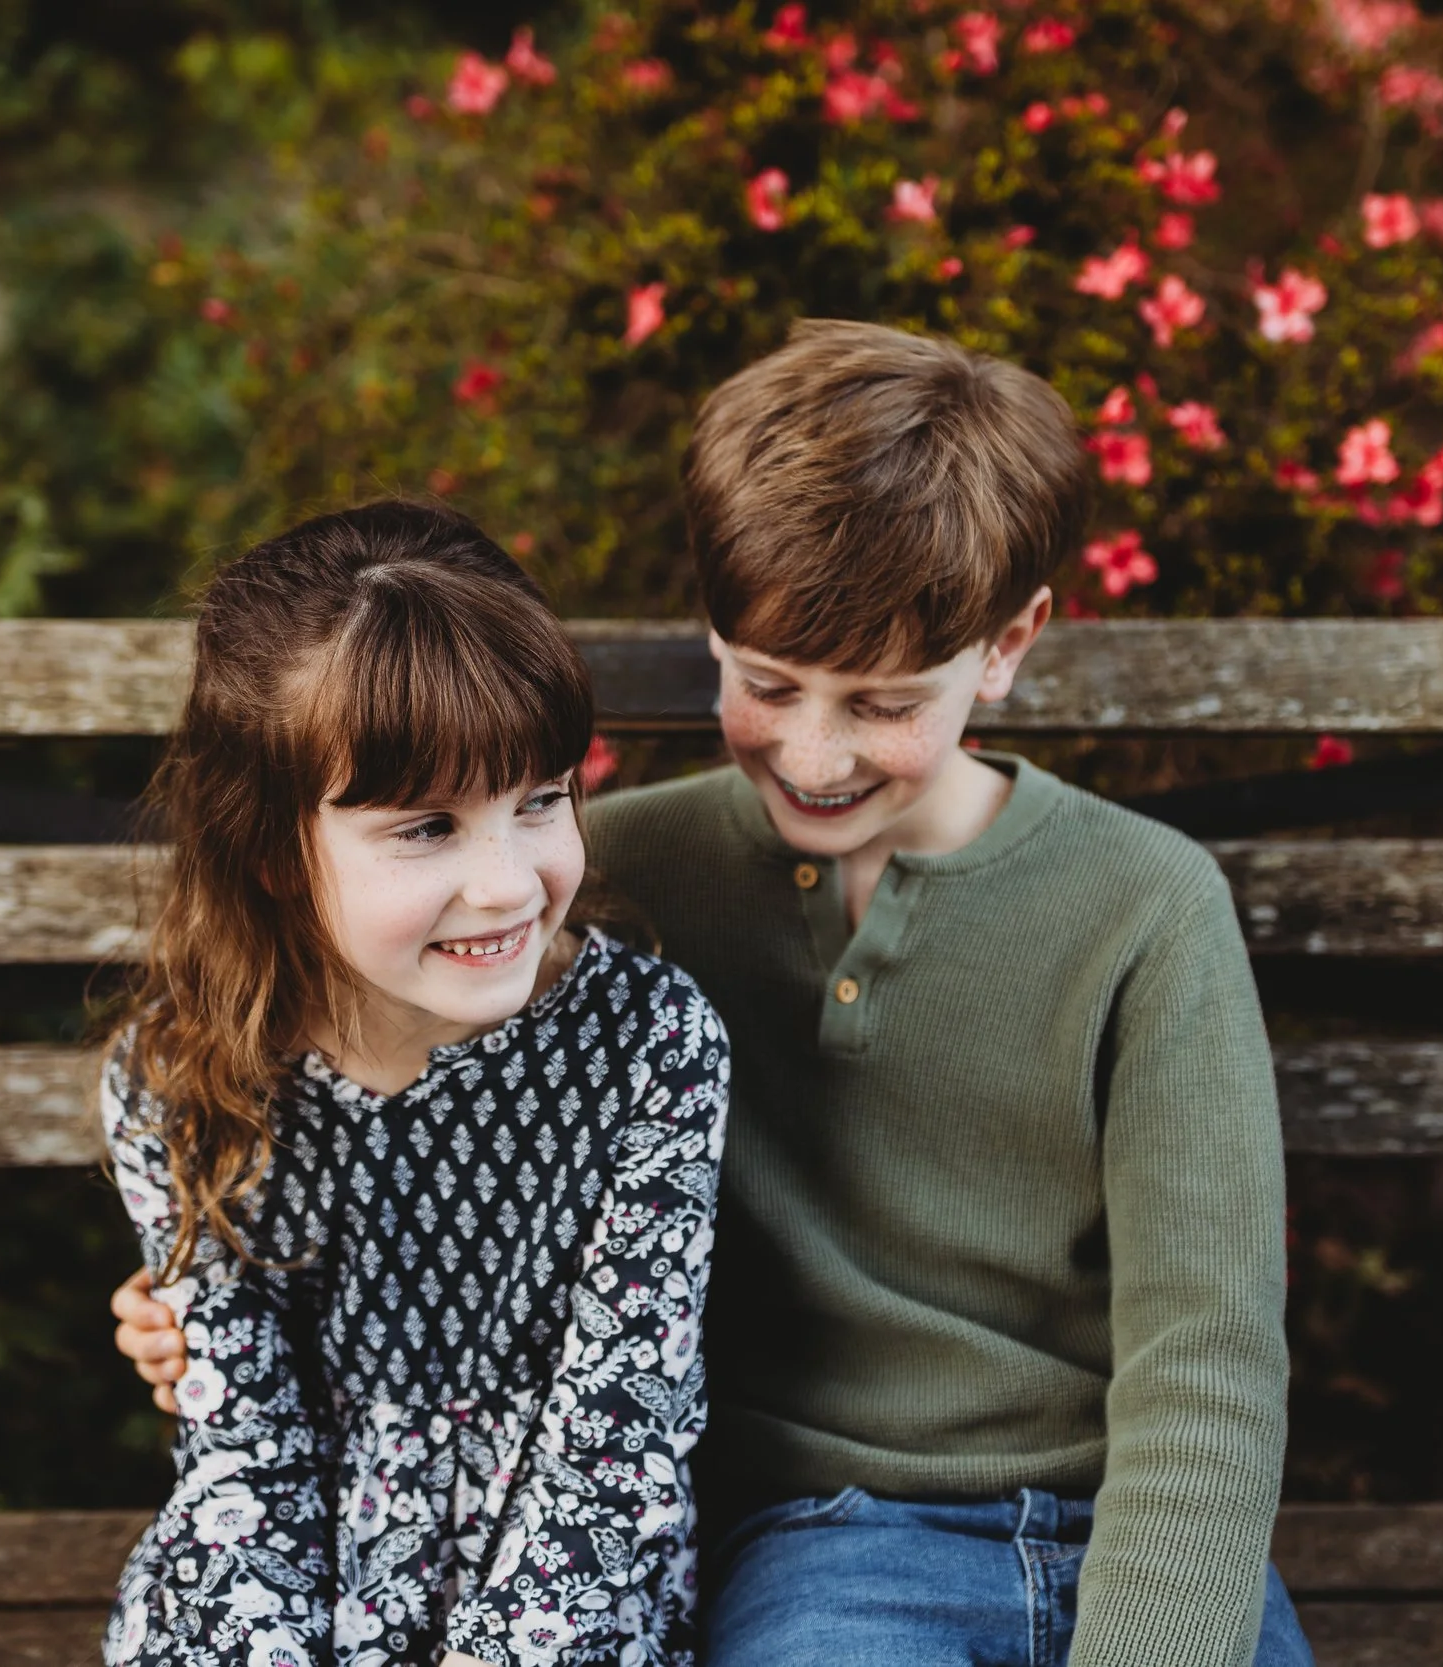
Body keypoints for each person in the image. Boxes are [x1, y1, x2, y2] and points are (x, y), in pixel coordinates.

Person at [117, 324, 1307, 1666]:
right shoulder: (586, 884)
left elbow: (1206, 1358)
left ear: (1008, 643)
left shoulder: (1147, 906)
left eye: (881, 701)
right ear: (713, 633)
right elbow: (393, 1115)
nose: (815, 752)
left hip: (1139, 1521)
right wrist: (212, 1290)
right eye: (768, 683)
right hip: (832, 1533)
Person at [98, 501, 729, 1667]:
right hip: (289, 1576)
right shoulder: (181, 1074)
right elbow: (243, 1456)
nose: (505, 885)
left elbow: (614, 1446)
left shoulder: (649, 1047)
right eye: (427, 826)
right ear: (275, 853)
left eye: (539, 799)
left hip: (563, 1594)